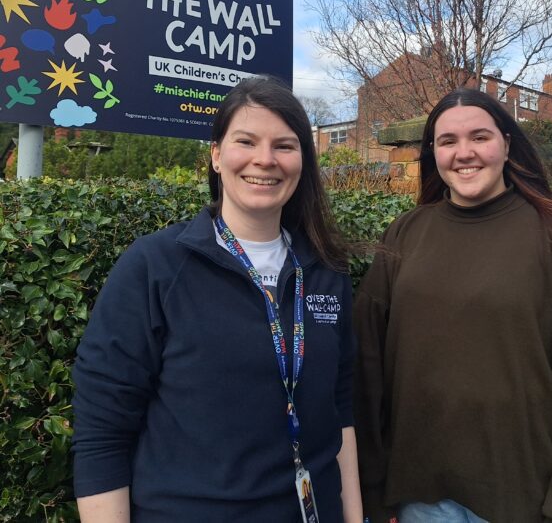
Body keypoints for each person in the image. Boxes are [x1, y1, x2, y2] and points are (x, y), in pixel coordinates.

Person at [72, 76, 363, 522]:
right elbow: (102, 431)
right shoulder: (155, 267)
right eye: (246, 141)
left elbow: (340, 410)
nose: (265, 160)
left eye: (284, 145)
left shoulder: (326, 271)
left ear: (303, 160)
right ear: (215, 155)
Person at [353, 88, 552, 523]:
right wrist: (372, 488)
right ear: (433, 153)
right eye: (447, 141)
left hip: (526, 499)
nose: (464, 153)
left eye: (480, 137)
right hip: (420, 499)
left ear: (506, 143)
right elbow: (366, 366)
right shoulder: (405, 236)